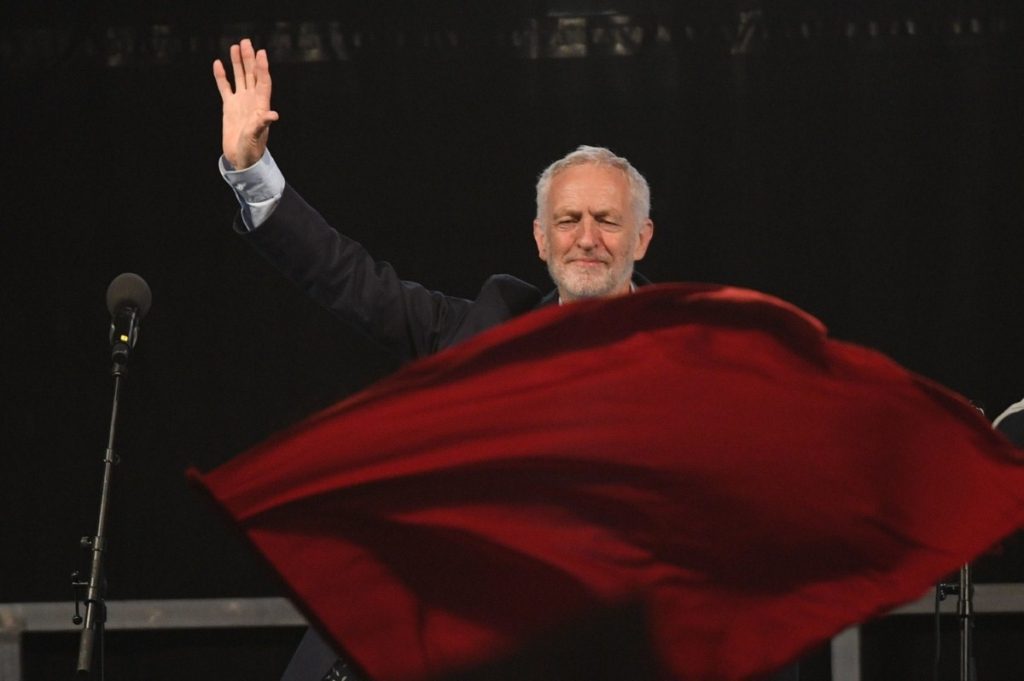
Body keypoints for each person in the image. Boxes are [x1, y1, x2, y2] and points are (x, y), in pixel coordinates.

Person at [213, 39, 796, 681]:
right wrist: (254, 171)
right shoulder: (485, 327)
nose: (587, 239)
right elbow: (351, 281)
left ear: (642, 237)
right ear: (542, 240)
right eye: (568, 220)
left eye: (606, 219)